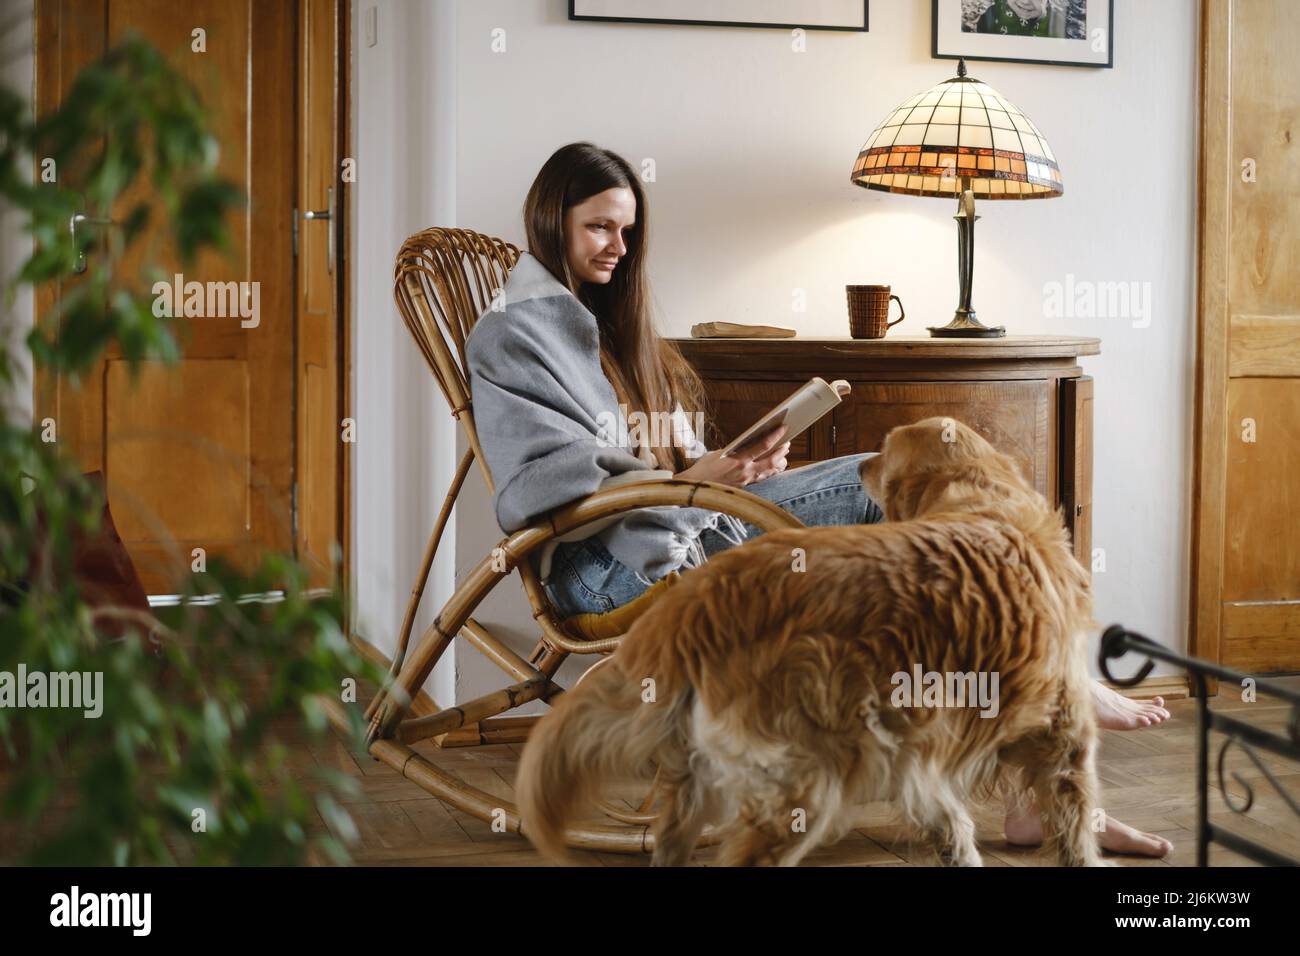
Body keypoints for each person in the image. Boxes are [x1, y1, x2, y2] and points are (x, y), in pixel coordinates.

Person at [464, 141, 1172, 858]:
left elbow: (660, 454)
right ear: (552, 221)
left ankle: (1038, 740)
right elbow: (540, 483)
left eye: (627, 229)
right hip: (604, 564)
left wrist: (735, 463)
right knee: (887, 498)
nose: (620, 245)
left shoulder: (609, 322)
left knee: (889, 474)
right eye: (600, 227)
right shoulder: (513, 334)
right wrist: (705, 480)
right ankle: (1059, 704)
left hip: (689, 514)